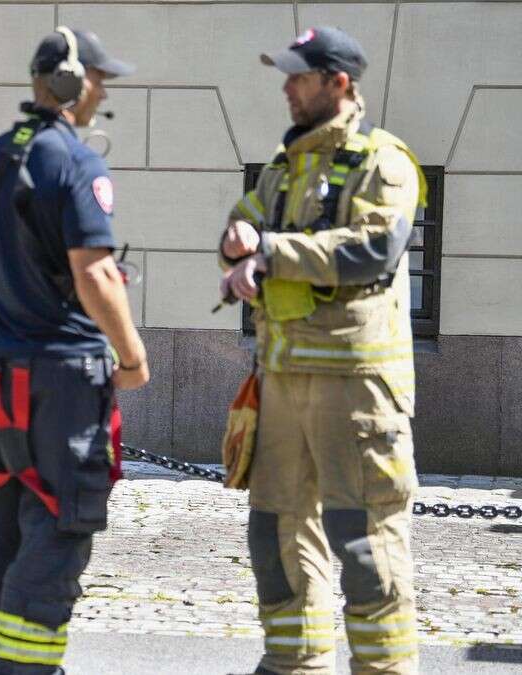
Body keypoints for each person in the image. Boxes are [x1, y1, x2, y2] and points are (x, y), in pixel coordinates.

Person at [218, 27, 426, 675]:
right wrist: (236, 243)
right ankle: (295, 663)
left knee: (363, 545)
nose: (285, 87)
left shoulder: (383, 162)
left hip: (357, 389)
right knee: (274, 537)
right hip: (281, 383)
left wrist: (269, 252)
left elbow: (371, 250)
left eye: (299, 77)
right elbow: (242, 221)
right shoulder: (282, 169)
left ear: (338, 83)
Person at [0, 27, 148, 675]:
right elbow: (93, 273)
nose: (101, 91)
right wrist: (133, 356)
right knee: (56, 531)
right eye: (99, 78)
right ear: (70, 82)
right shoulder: (76, 163)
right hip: (61, 388)